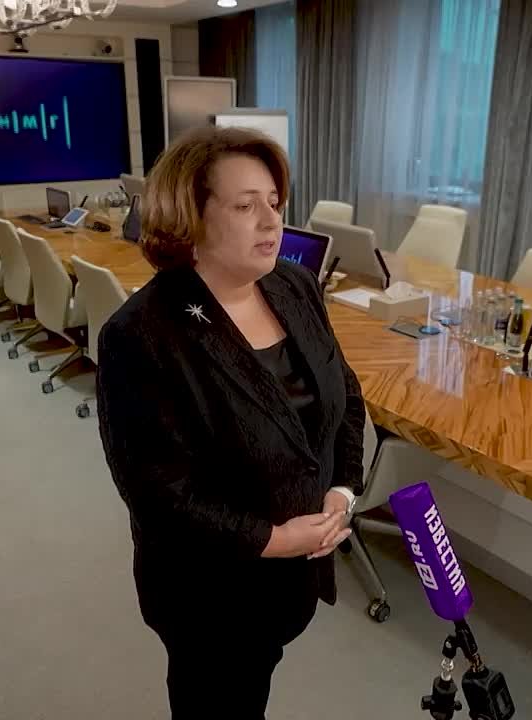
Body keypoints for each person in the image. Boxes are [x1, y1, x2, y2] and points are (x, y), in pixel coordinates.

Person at [96, 126, 367, 719]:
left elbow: (343, 391)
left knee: (257, 682)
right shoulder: (141, 334)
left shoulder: (295, 285)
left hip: (292, 577)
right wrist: (277, 540)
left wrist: (343, 490)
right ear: (189, 218)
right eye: (246, 206)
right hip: (210, 593)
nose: (272, 221)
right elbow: (157, 490)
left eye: (275, 202)